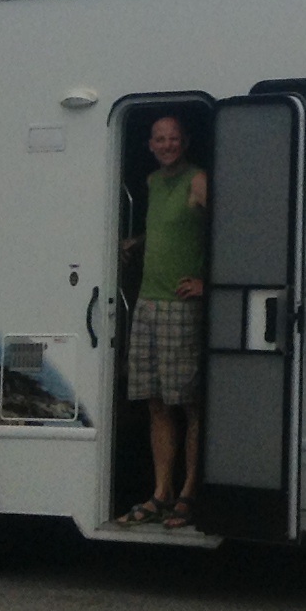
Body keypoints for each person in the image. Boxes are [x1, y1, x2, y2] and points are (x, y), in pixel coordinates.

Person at [118, 114, 207, 529]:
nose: (167, 144)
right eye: (160, 139)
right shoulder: (153, 183)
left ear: (185, 141)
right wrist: (134, 242)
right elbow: (167, 231)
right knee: (155, 403)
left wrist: (209, 281)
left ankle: (190, 491)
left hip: (179, 305)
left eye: (174, 138)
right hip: (147, 303)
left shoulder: (199, 180)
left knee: (188, 402)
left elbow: (229, 228)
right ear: (149, 145)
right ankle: (161, 492)